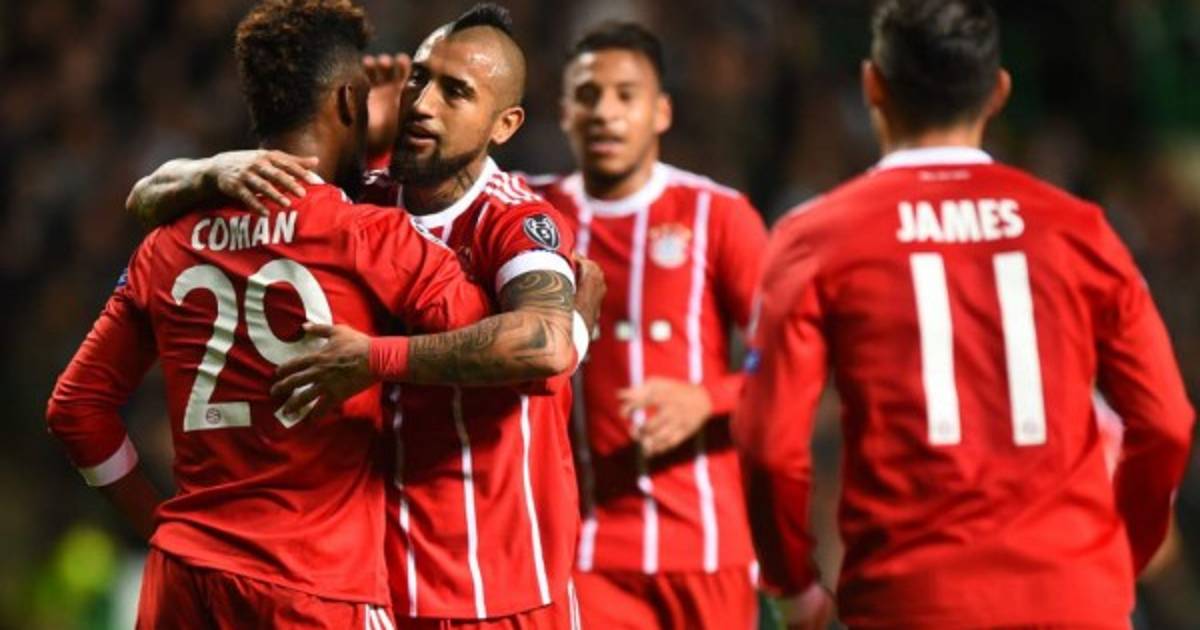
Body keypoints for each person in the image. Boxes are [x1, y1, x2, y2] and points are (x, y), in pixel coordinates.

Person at [733, 1, 1196, 628]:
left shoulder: (816, 239)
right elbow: (1166, 422)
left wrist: (792, 585)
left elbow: (768, 445)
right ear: (998, 91)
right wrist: (1116, 558)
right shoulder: (1078, 230)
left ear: (873, 86)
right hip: (1075, 598)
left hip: (914, 601)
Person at [126, 4, 589, 628]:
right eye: (420, 78)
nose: (423, 103)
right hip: (371, 584)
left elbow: (546, 344)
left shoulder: (514, 221)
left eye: (456, 92)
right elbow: (146, 196)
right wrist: (213, 168)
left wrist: (373, 359)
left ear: (504, 125)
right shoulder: (357, 204)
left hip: (493, 589)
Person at [47, 1, 496, 626]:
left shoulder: (169, 241)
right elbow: (495, 345)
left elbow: (75, 410)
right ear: (348, 102)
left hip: (185, 580)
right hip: (312, 585)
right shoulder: (371, 238)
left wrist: (160, 524)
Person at [524, 22, 767, 630]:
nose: (606, 112)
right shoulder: (531, 216)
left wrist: (707, 399)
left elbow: (790, 362)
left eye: (626, 95)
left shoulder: (717, 215)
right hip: (585, 551)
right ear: (564, 112)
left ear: (661, 112)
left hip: (705, 548)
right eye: (588, 95)